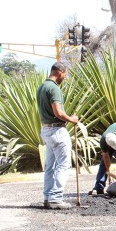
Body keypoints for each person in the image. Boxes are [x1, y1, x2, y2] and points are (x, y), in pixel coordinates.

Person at [36, 62, 79, 210]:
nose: (65, 77)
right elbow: (58, 113)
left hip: (46, 130)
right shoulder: (54, 88)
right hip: (57, 131)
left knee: (50, 166)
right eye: (65, 74)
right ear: (60, 72)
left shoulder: (41, 87)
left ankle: (48, 197)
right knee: (63, 164)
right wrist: (72, 119)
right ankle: (55, 197)